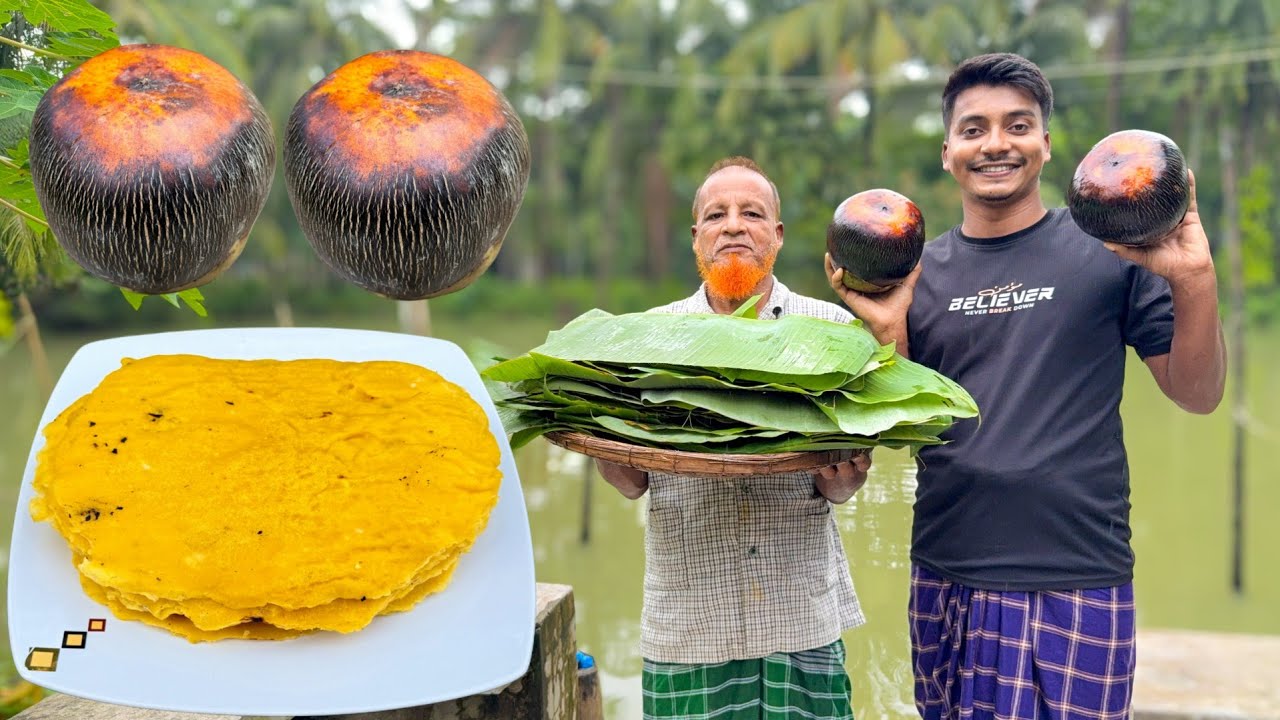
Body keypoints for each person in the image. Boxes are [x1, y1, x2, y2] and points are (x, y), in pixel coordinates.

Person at [825, 53, 1227, 719]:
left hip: (1078, 571)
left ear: (1045, 142)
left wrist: (1195, 278)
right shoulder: (916, 274)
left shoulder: (1112, 251)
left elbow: (1199, 392)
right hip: (949, 570)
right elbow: (902, 436)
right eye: (975, 128)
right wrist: (891, 330)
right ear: (949, 149)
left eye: (1018, 125)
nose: (997, 144)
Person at [596, 156, 872, 720]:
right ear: (696, 235)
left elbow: (843, 479)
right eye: (716, 214)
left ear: (777, 233)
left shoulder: (833, 330)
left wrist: (845, 482)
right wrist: (607, 451)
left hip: (799, 614)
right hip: (690, 620)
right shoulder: (649, 338)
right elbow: (632, 482)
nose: (733, 225)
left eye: (752, 212)